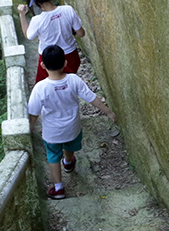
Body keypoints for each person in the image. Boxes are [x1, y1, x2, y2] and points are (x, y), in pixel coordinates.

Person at [28, 45, 116, 199]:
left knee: (53, 156)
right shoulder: (74, 80)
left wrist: (30, 128)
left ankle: (59, 187)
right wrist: (108, 112)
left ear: (42, 65)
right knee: (69, 145)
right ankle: (68, 162)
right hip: (72, 128)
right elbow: (91, 98)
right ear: (65, 63)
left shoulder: (40, 88)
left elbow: (34, 113)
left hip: (52, 132)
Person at [17, 0, 85, 83]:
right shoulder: (68, 10)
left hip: (48, 60)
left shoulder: (37, 20)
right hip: (70, 56)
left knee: (44, 87)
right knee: (68, 84)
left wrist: (22, 15)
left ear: (37, 2)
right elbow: (81, 33)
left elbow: (28, 35)